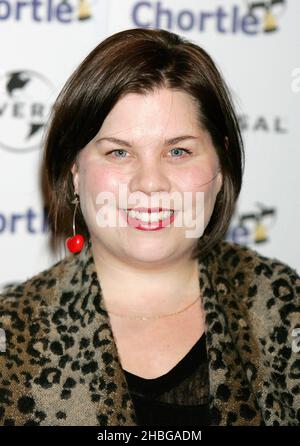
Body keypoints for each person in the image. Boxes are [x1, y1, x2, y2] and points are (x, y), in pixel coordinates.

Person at [0, 27, 299, 427]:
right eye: (119, 152)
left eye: (178, 151)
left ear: (221, 164)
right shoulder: (10, 332)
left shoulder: (286, 310)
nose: (150, 183)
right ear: (75, 170)